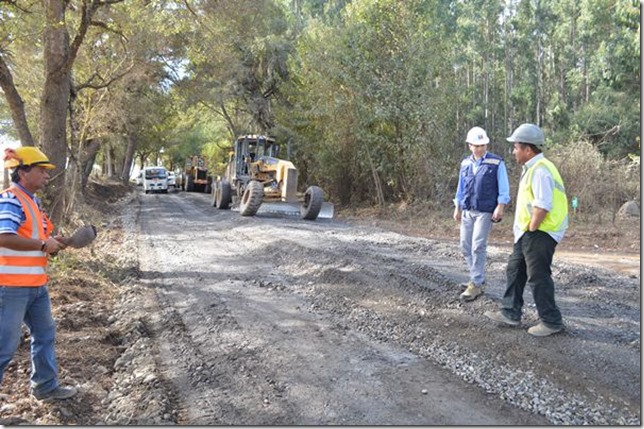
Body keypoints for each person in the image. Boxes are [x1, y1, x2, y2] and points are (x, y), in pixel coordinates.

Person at [0, 146, 78, 400]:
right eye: (41, 170)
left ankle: (45, 386)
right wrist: (43, 244)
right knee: (4, 348)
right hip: (10, 288)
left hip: (35, 286)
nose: (46, 176)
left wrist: (54, 243)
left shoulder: (33, 202)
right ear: (23, 172)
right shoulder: (11, 199)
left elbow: (36, 240)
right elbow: (4, 237)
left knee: (45, 335)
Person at [484, 123, 569, 337]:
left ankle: (551, 322)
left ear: (528, 149)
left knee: (538, 276)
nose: (513, 151)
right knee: (515, 269)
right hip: (528, 232)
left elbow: (542, 205)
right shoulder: (532, 168)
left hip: (541, 231)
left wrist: (532, 227)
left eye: (516, 147)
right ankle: (510, 312)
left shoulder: (540, 171)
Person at [453, 126, 510, 301]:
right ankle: (476, 277)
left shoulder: (496, 162)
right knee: (465, 245)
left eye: (482, 145)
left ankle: (476, 284)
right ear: (470, 145)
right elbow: (460, 188)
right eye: (476, 145)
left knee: (478, 245)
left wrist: (500, 206)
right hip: (468, 210)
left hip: (485, 211)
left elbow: (504, 187)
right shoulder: (465, 163)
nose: (480, 148)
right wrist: (457, 207)